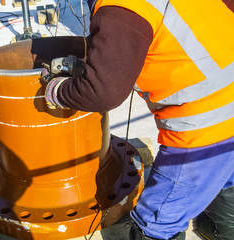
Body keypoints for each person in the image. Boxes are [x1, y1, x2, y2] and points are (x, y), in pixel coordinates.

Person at [42, 0, 234, 239]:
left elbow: (103, 91)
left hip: (206, 125)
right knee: (223, 173)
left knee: (156, 220)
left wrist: (59, 91)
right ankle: (218, 229)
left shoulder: (121, 7)